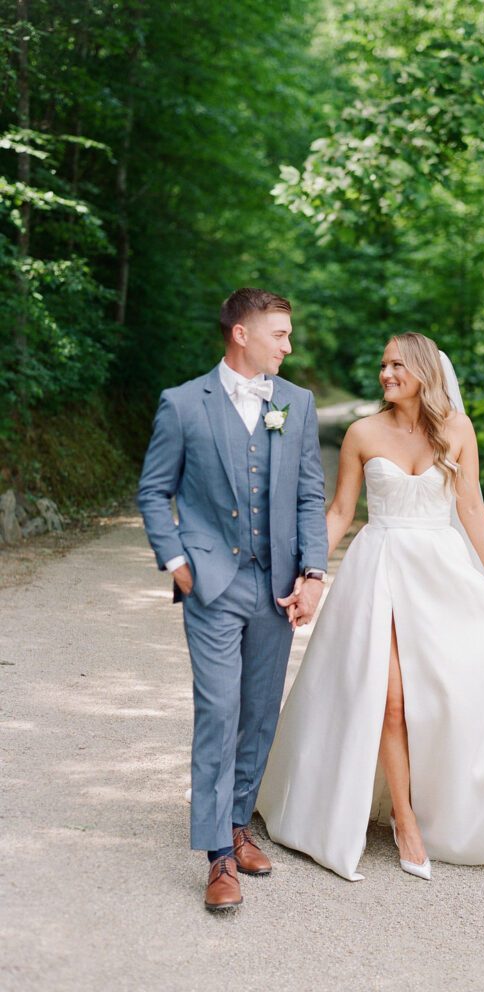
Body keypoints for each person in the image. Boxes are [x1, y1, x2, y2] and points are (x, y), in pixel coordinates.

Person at [257, 332, 484, 881]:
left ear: (425, 371)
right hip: (379, 568)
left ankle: (450, 803)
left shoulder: (457, 430)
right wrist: (312, 572)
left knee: (437, 699)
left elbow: (472, 506)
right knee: (386, 700)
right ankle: (404, 820)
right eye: (383, 363)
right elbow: (340, 511)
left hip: (441, 574)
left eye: (397, 365)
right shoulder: (363, 433)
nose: (386, 373)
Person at [138, 287, 328, 911]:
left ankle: (239, 821)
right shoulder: (182, 403)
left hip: (276, 587)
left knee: (259, 712)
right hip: (213, 585)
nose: (289, 345)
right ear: (242, 333)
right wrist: (176, 560)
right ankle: (218, 855)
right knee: (218, 712)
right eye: (280, 333)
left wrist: (313, 573)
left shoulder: (295, 403)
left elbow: (307, 496)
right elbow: (154, 491)